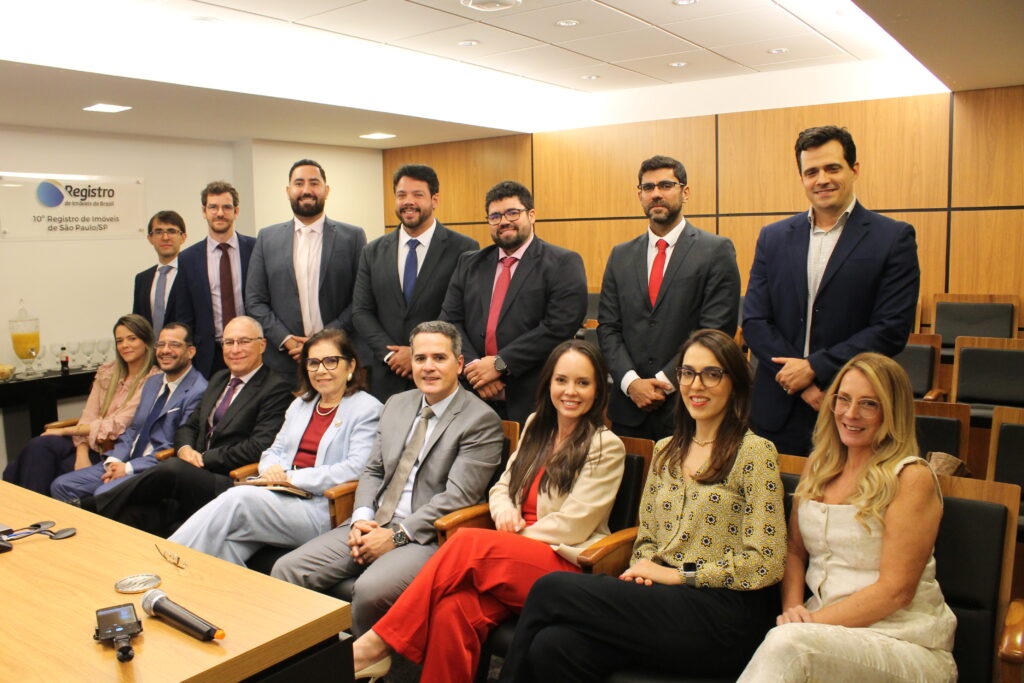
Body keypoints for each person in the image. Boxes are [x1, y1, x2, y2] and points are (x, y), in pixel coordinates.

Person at [500, 329, 786, 682]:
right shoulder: (666, 450)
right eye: (687, 373)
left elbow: (767, 562)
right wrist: (643, 569)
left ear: (735, 383)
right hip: (662, 602)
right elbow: (647, 540)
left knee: (550, 588)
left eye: (712, 374)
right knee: (555, 645)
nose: (696, 385)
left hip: (723, 611)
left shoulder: (755, 452)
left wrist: (680, 575)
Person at [351, 339, 626, 682]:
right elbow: (501, 487)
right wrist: (506, 508)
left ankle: (378, 643)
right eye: (561, 380)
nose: (570, 391)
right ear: (548, 383)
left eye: (583, 383)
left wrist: (511, 537)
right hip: (507, 561)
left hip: (561, 565)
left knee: (468, 541)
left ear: (598, 391)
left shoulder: (605, 446)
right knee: (453, 611)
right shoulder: (537, 425)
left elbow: (574, 525)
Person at [271, 320, 503, 636]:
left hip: (426, 536)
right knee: (287, 570)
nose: (428, 367)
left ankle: (361, 660)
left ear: (459, 364)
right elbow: (373, 470)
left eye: (439, 358)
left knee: (370, 590)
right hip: (373, 522)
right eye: (420, 358)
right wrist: (361, 519)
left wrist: (396, 536)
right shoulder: (397, 404)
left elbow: (458, 498)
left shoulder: (481, 420)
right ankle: (310, 655)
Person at [737, 353, 956, 682]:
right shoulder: (818, 465)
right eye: (843, 399)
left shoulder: (911, 477)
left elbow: (896, 591)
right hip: (820, 633)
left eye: (869, 404)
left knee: (790, 646)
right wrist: (794, 610)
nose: (850, 413)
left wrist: (808, 625)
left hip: (904, 641)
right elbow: (795, 550)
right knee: (788, 642)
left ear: (892, 412)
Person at [743, 125, 920, 456]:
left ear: (854, 169)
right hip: (775, 408)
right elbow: (754, 321)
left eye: (832, 168)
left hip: (850, 410)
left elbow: (891, 329)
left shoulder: (892, 238)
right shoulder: (773, 237)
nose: (822, 179)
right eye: (811, 172)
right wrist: (799, 381)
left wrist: (814, 368)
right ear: (801, 178)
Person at [169, 329, 381, 566]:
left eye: (331, 361)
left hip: (322, 507)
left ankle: (164, 557)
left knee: (238, 498)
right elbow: (273, 451)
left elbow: (355, 468)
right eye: (313, 363)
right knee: (227, 544)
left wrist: (291, 478)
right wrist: (270, 469)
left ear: (350, 365)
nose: (321, 370)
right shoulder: (300, 404)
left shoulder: (367, 409)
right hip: (277, 494)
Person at [82, 316, 293, 537]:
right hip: (189, 477)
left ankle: (88, 506)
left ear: (262, 345)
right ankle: (87, 524)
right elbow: (189, 426)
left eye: (244, 341)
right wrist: (184, 449)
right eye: (229, 342)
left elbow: (258, 447)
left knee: (172, 468)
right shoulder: (219, 379)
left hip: (229, 480)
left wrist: (202, 458)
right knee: (129, 517)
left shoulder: (276, 388)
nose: (235, 349)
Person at [599, 155, 740, 441]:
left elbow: (714, 331)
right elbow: (608, 327)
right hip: (629, 407)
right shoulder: (620, 255)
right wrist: (631, 382)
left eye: (665, 185)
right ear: (639, 195)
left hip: (688, 405)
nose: (656, 194)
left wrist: (665, 382)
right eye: (648, 187)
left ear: (685, 192)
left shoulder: (716, 251)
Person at [441, 181, 588, 424]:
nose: (503, 221)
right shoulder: (469, 263)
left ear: (532, 215)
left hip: (532, 396)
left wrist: (500, 364)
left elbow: (559, 326)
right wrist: (476, 370)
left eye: (512, 213)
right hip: (472, 393)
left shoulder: (563, 262)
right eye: (495, 216)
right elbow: (449, 321)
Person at [353, 163, 479, 403]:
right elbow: (361, 311)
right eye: (401, 195)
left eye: (417, 195)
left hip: (439, 374)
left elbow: (462, 312)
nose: (408, 202)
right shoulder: (372, 251)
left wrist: (417, 353)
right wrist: (390, 355)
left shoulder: (464, 248)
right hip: (386, 376)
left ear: (435, 199)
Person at [3, 314, 158, 495]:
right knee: (40, 445)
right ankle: (29, 509)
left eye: (132, 339)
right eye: (119, 341)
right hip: (86, 442)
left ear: (146, 341)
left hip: (112, 449)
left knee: (20, 468)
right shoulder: (108, 372)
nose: (125, 345)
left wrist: (63, 431)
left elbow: (116, 425)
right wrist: (81, 452)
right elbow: (89, 416)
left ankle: (29, 509)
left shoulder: (153, 380)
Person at [50, 323, 207, 500]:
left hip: (154, 468)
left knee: (104, 493)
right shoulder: (153, 382)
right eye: (161, 344)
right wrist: (115, 461)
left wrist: (128, 468)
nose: (165, 350)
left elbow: (177, 444)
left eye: (174, 345)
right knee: (62, 485)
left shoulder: (198, 390)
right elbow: (133, 429)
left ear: (190, 352)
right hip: (125, 459)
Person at [245, 159, 367, 381]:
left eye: (314, 183)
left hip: (338, 358)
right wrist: (287, 340)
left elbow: (360, 299)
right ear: (288, 191)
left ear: (326, 190)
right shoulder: (266, 238)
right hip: (283, 362)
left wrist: (322, 340)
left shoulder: (353, 237)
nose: (306, 190)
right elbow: (255, 300)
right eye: (299, 183)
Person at [171, 181, 256, 378]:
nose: (220, 213)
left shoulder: (255, 249)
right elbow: (184, 315)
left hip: (252, 351)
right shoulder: (188, 259)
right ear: (204, 211)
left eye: (226, 207)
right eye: (213, 207)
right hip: (208, 357)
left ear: (236, 211)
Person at [133, 211, 186, 332]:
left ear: (183, 237)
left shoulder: (193, 274)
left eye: (171, 231)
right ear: (150, 238)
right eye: (158, 232)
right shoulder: (142, 279)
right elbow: (137, 323)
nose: (165, 237)